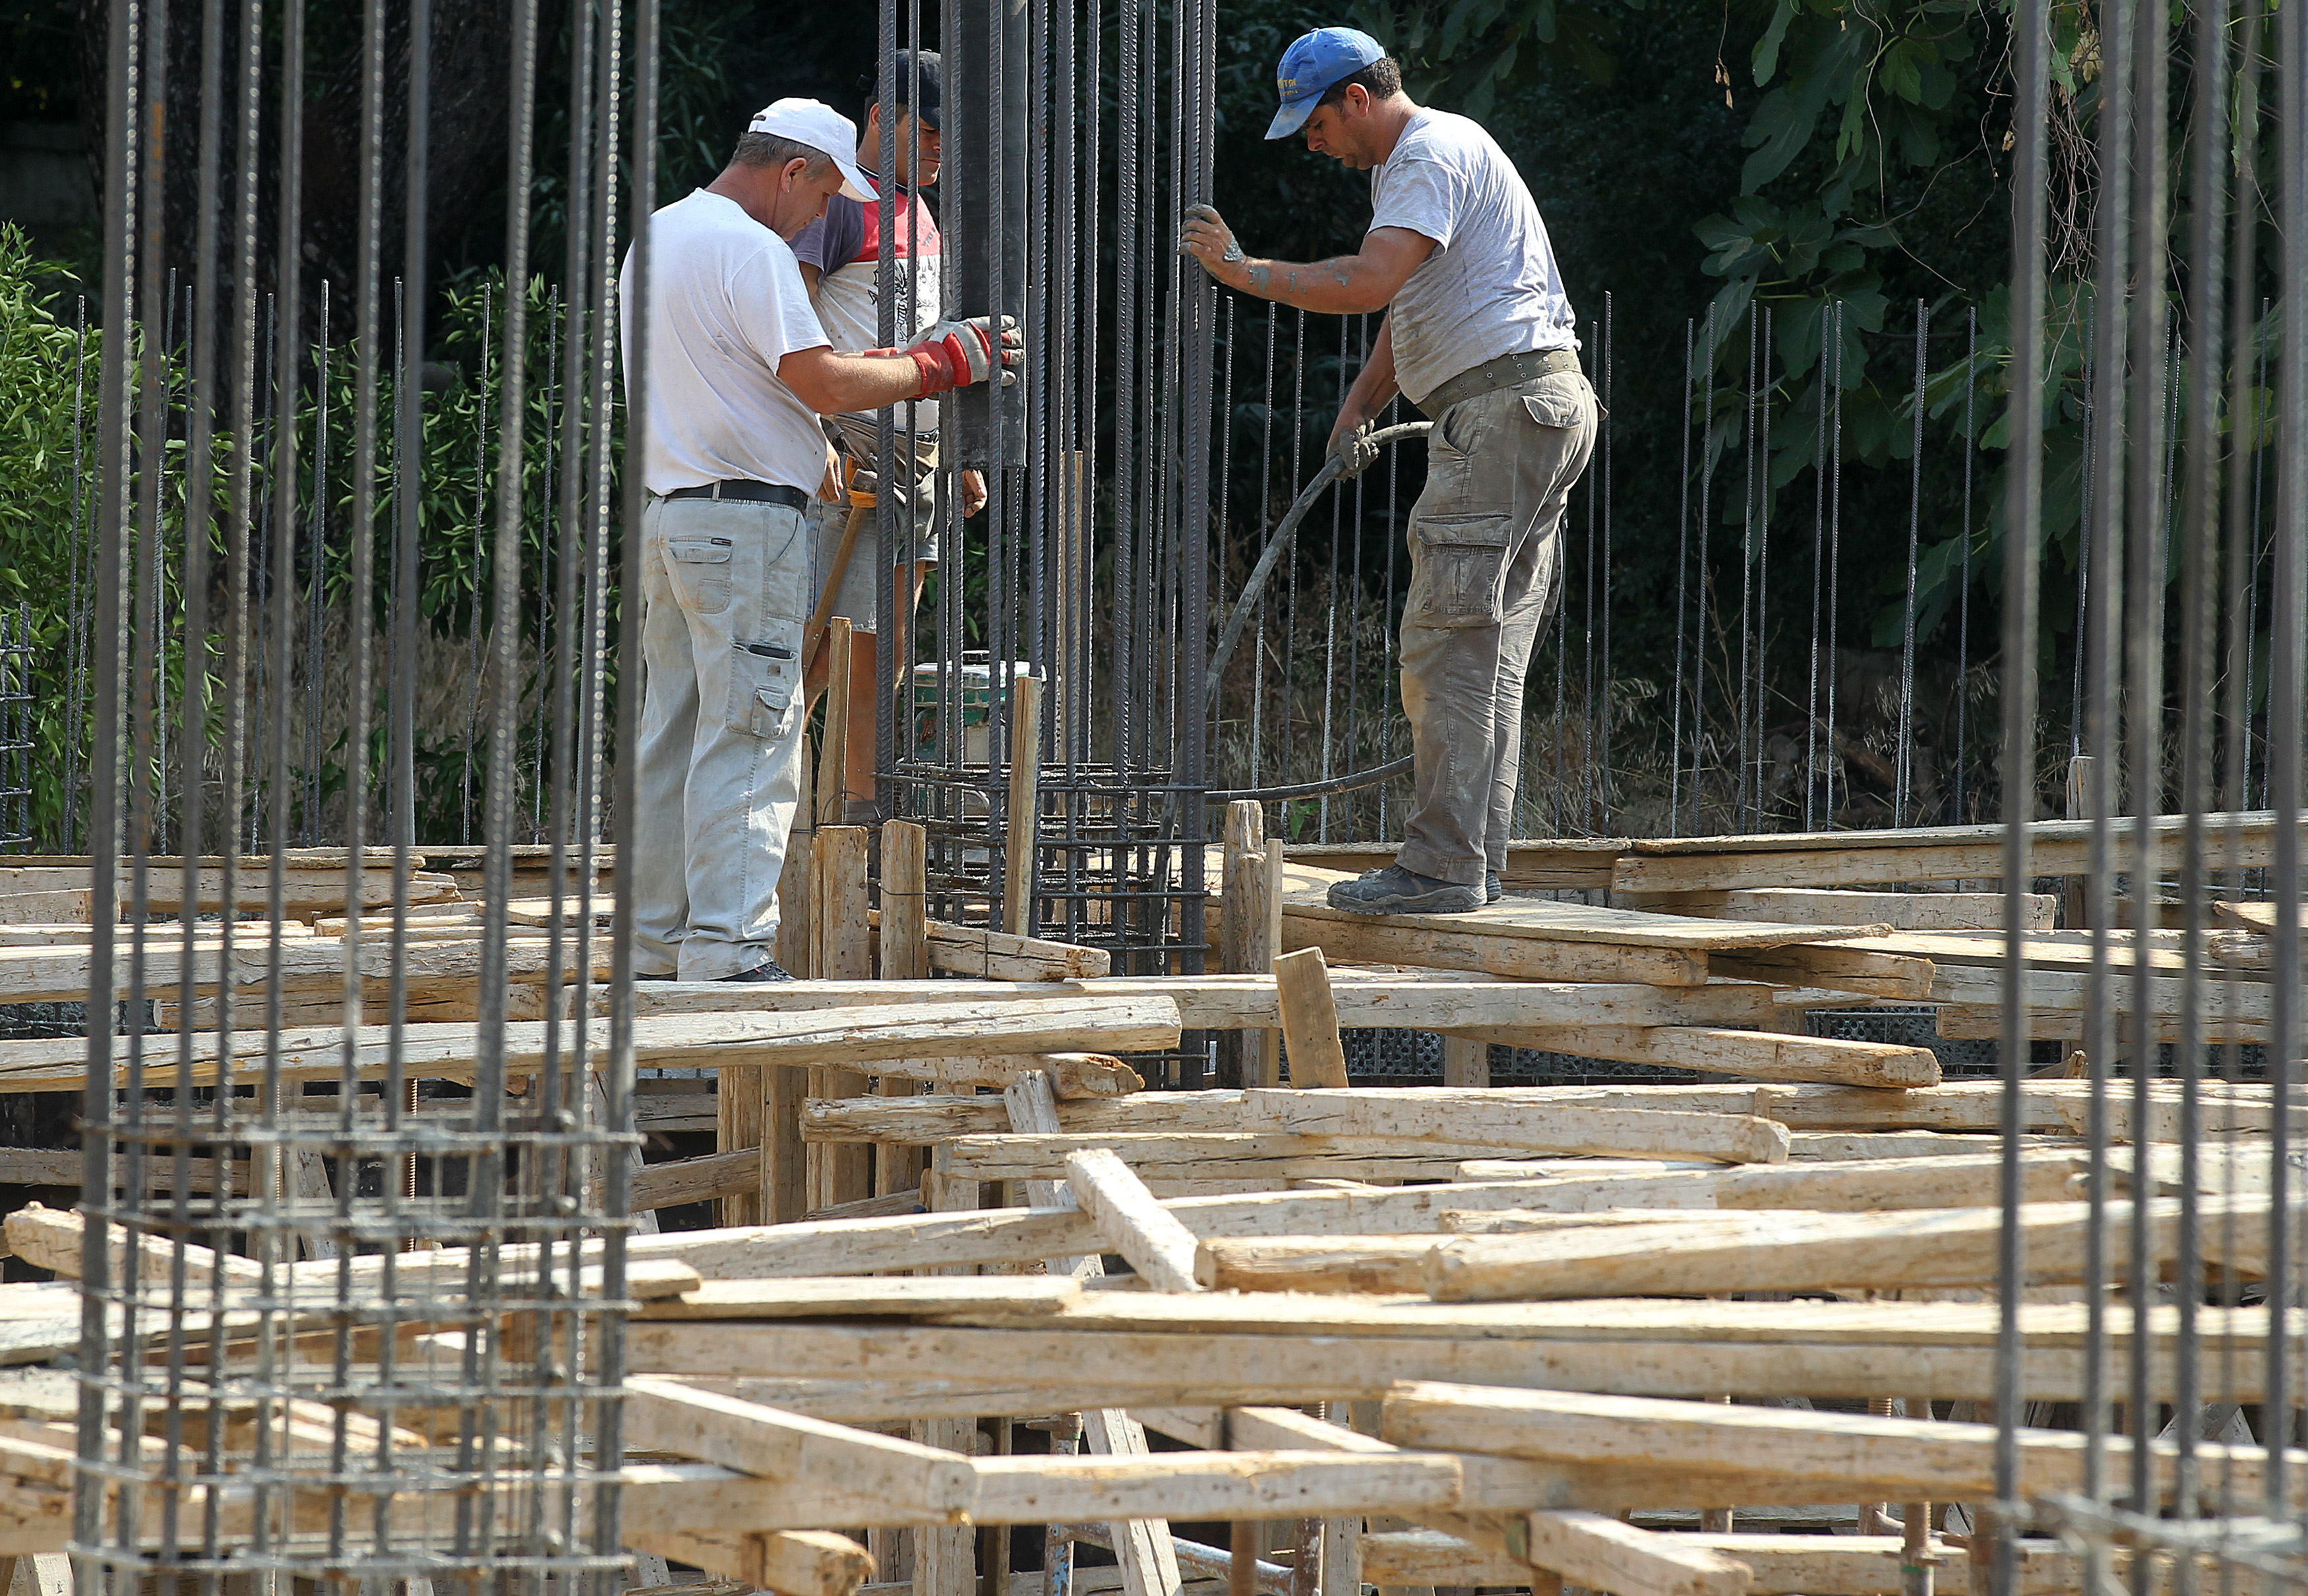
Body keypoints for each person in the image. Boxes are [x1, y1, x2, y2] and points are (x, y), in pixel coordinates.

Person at [1182, 28, 1597, 916]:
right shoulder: (1422, 163)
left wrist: (1241, 271)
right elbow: (1408, 298)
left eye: (1318, 124)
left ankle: (1442, 864)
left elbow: (1369, 282)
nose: (1314, 143)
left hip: (1499, 416)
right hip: (1534, 405)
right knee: (1485, 650)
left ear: (1359, 101)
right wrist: (1362, 404)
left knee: (1446, 640)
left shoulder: (1426, 154)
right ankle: (1471, 865)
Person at [619, 98, 1017, 981]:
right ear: (793, 170)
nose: (822, 217)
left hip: (673, 516)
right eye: (825, 193)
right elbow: (822, 382)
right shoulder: (753, 249)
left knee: (675, 733)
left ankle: (653, 946)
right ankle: (727, 950)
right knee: (755, 733)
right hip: (748, 524)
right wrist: (945, 361)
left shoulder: (660, 233)